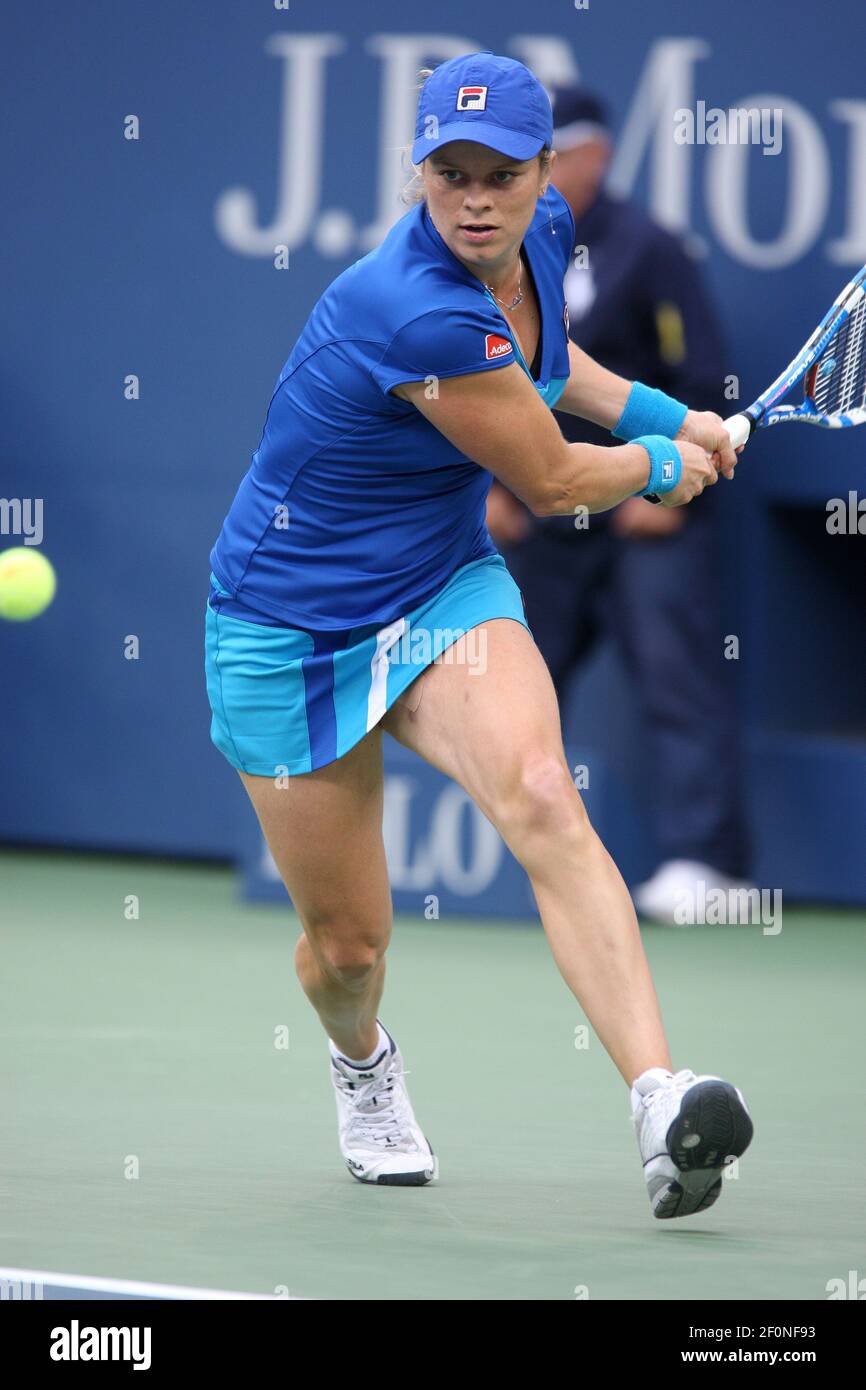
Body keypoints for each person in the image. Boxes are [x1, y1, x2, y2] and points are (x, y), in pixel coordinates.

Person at [205, 51, 753, 1219]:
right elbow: (553, 478)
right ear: (417, 173)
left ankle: (658, 1095)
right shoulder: (404, 304)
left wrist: (667, 415)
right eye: (446, 173)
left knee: (543, 791)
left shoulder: (543, 232)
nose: (472, 198)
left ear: (542, 173)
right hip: (284, 628)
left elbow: (557, 370)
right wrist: (665, 465)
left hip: (439, 587)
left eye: (499, 173)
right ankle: (362, 1066)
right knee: (348, 949)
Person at [487, 87, 753, 922]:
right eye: (540, 155)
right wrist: (494, 482)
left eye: (561, 152)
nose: (550, 169)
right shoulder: (512, 250)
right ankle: (504, 857)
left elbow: (702, 373)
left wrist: (670, 488)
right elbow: (484, 378)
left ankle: (707, 866)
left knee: (678, 680)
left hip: (649, 510)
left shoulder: (651, 248)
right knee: (511, 680)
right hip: (543, 504)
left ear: (599, 155)